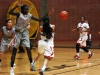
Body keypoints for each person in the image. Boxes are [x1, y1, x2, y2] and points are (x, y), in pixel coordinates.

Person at [8, 1, 53, 75]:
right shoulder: (18, 14)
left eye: (27, 9)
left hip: (25, 32)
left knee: (28, 48)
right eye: (25, 9)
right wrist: (16, 6)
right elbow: (10, 12)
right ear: (22, 10)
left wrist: (46, 14)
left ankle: (31, 64)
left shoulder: (29, 15)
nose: (27, 10)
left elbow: (39, 20)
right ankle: (11, 68)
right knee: (15, 50)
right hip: (18, 32)